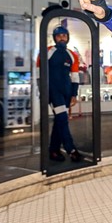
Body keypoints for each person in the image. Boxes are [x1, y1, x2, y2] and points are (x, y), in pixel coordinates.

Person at [36, 26, 84, 162]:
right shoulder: (47, 51)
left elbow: (75, 77)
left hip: (66, 92)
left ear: (68, 37)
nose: (62, 38)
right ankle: (71, 149)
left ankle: (54, 150)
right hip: (52, 91)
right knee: (62, 119)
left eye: (64, 35)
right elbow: (39, 73)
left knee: (59, 120)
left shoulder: (72, 55)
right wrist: (43, 92)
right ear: (55, 38)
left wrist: (74, 94)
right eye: (59, 36)